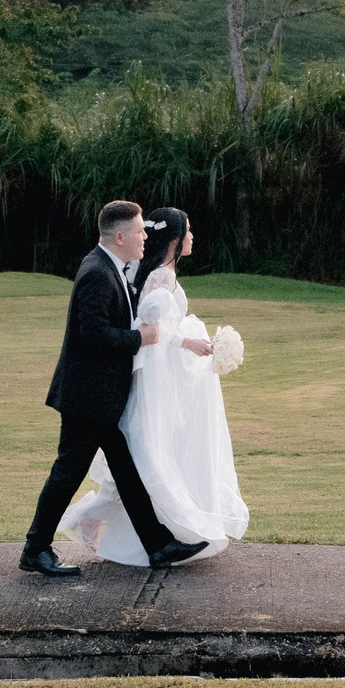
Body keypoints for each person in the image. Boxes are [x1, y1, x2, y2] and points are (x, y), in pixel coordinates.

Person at [19, 201, 212, 578]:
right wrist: (140, 338)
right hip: (86, 395)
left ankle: (158, 546)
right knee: (67, 472)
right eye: (140, 231)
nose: (146, 236)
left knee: (126, 468)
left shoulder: (114, 267)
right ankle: (35, 548)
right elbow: (91, 335)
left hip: (100, 396)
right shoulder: (96, 271)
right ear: (120, 236)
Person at [59, 206, 250, 565]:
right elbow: (147, 327)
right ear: (175, 241)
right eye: (189, 232)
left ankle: (159, 540)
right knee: (139, 454)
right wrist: (182, 340)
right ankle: (49, 538)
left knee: (138, 458)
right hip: (140, 382)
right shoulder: (141, 277)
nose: (193, 238)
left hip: (159, 377)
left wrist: (187, 339)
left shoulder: (147, 271)